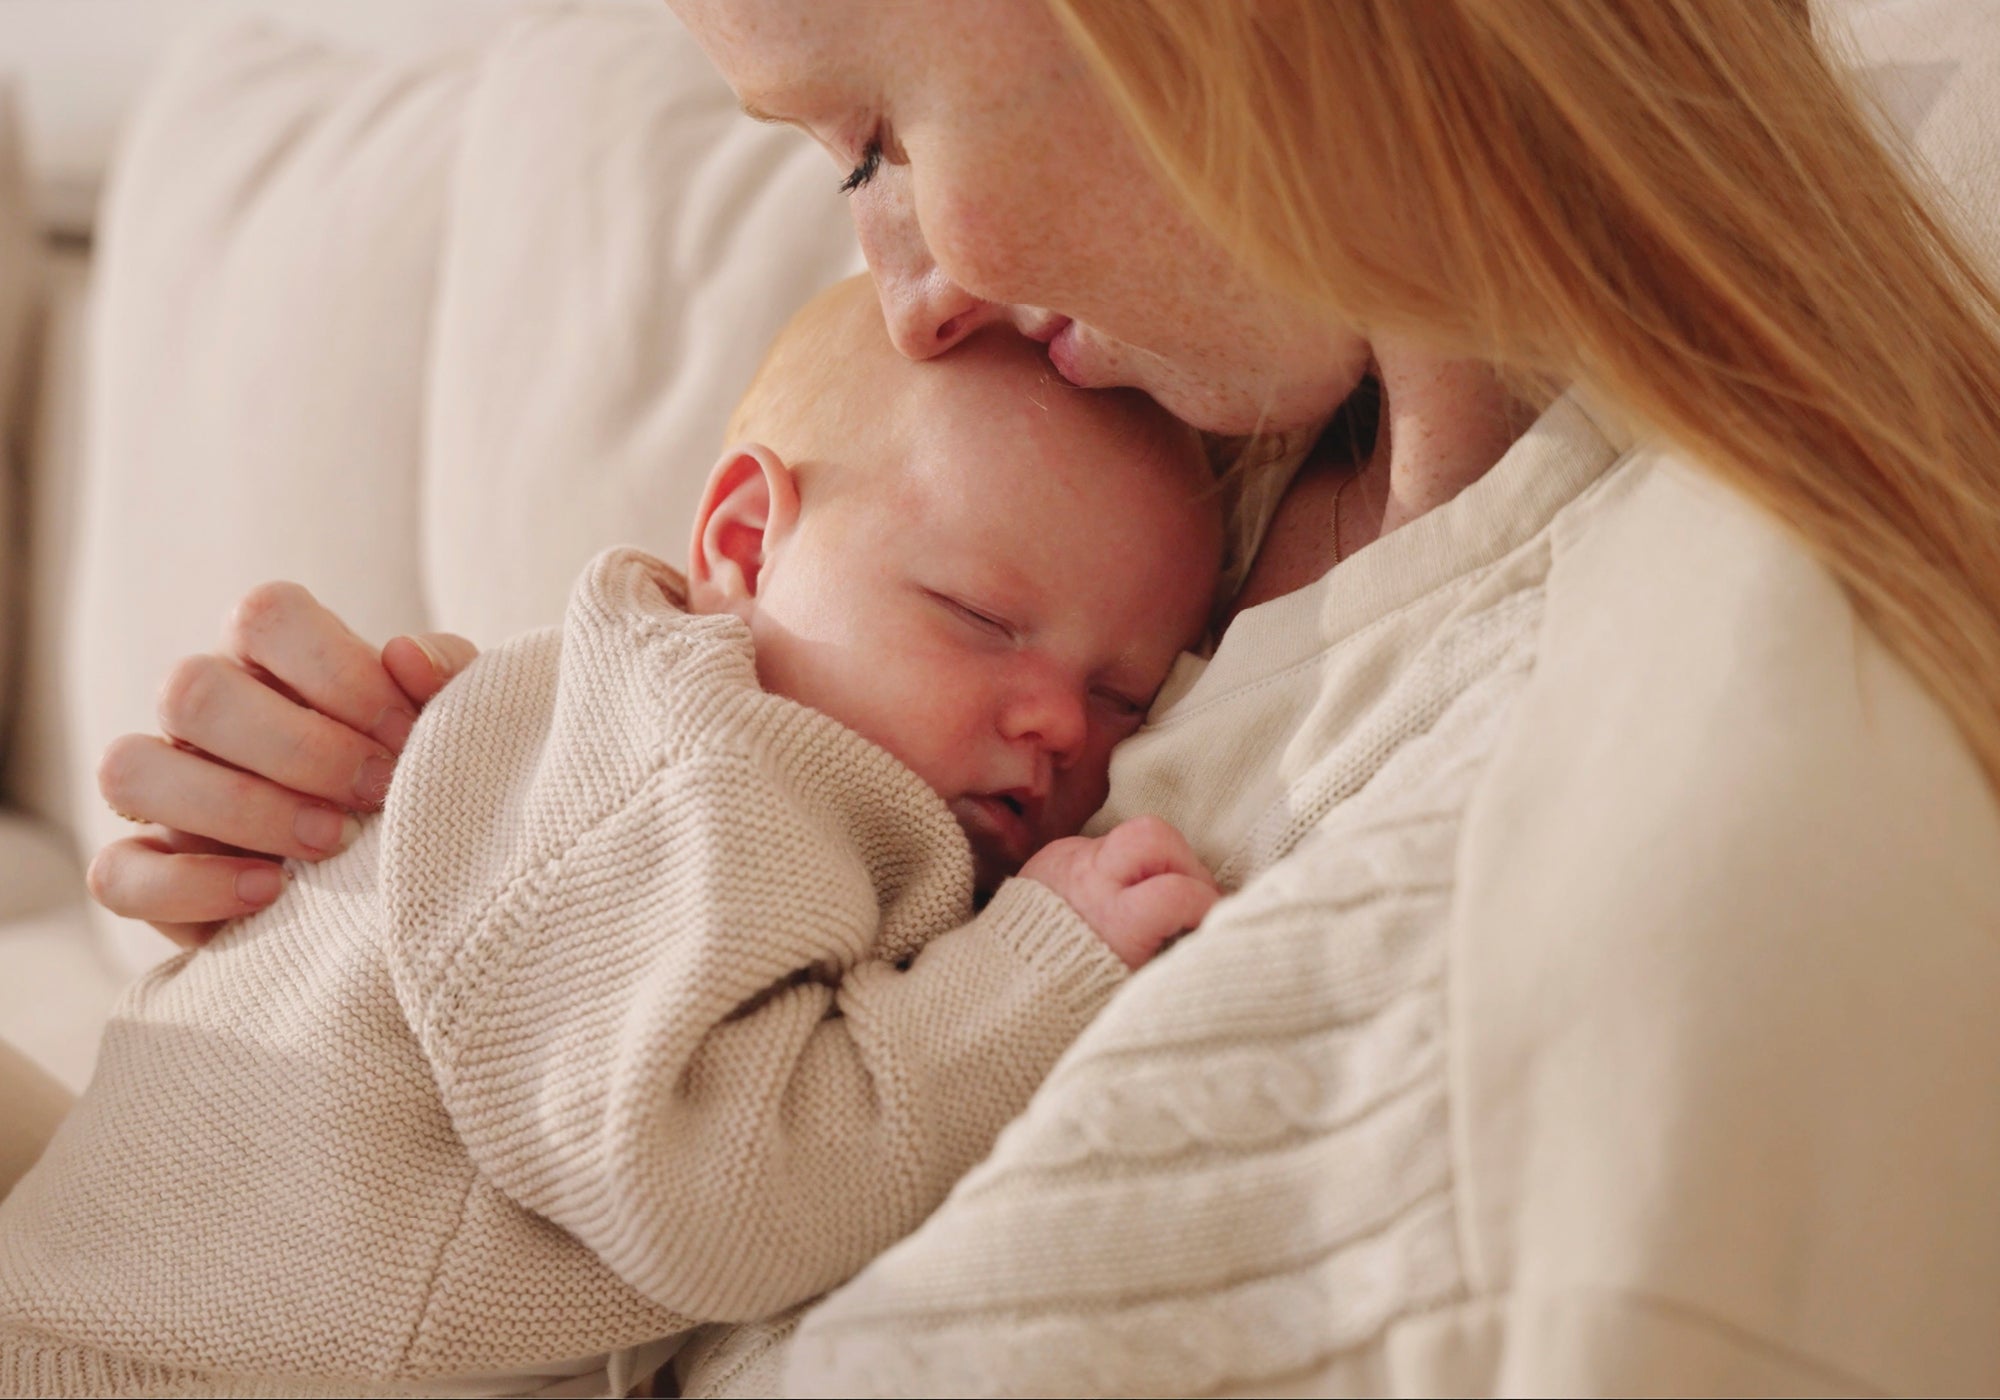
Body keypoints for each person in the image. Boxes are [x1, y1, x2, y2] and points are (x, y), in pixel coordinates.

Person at [73, 0, 2000, 1394]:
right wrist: (407, 817)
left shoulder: (1683, 623)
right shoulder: (1176, 452)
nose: (913, 298)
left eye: (874, 138)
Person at [0, 277, 1225, 1398]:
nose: (1061, 721)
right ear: (744, 543)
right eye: (979, 617)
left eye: (1124, 694)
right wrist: (1031, 966)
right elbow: (707, 1190)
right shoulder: (699, 766)